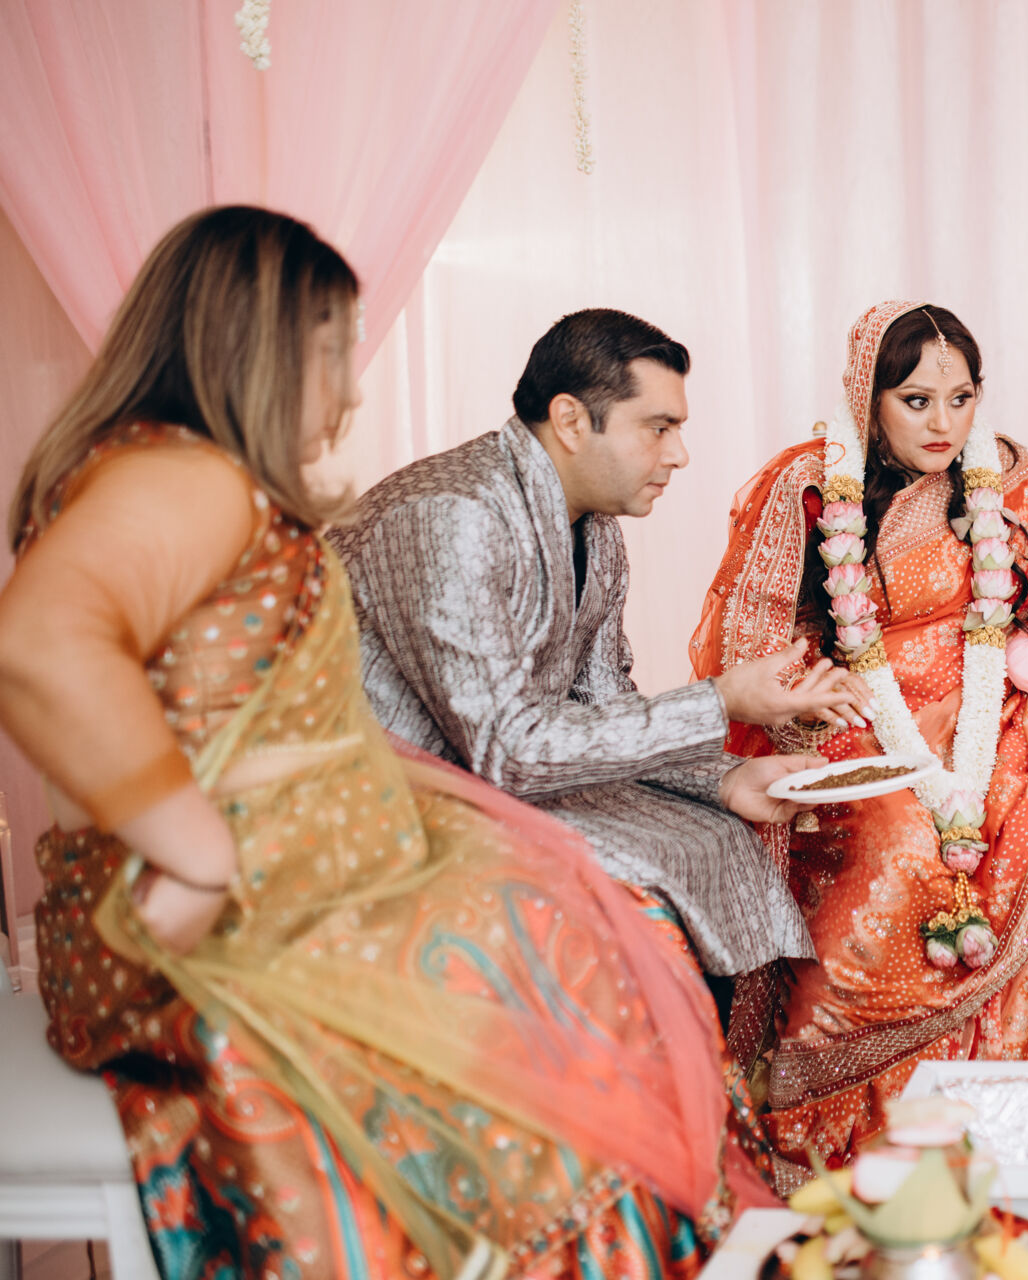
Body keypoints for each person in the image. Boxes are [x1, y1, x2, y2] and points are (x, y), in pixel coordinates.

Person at [0, 205, 777, 1280]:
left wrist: (727, 772)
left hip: (311, 856)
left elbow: (605, 695)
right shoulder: (185, 479)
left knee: (591, 938)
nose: (353, 390)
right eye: (335, 352)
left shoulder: (196, 476)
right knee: (573, 971)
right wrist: (193, 847)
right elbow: (40, 645)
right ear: (259, 346)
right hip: (222, 900)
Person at [690, 301, 1028, 1181]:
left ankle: (1011, 1103)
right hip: (859, 707)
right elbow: (746, 641)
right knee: (896, 845)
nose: (944, 424)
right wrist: (806, 697)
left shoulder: (1008, 477)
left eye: (961, 398)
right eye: (917, 400)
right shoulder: (810, 486)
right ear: (870, 397)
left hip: (990, 706)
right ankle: (861, 1117)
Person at [331, 309, 867, 982]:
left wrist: (725, 778)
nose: (679, 454)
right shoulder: (453, 515)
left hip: (497, 774)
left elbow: (604, 704)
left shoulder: (597, 529)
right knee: (643, 883)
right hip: (388, 791)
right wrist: (720, 702)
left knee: (718, 836)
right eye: (659, 428)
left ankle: (707, 1055)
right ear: (571, 420)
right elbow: (509, 750)